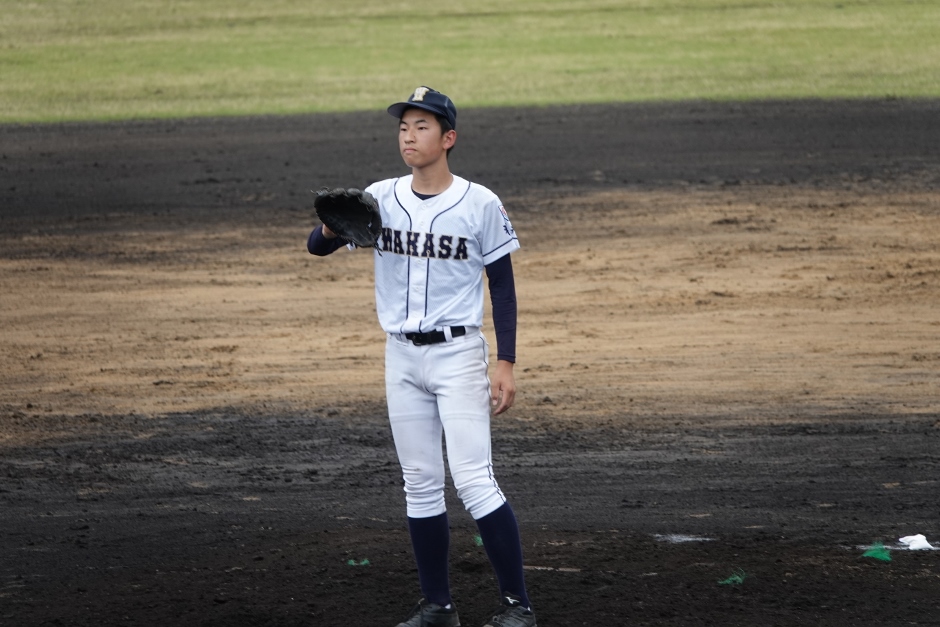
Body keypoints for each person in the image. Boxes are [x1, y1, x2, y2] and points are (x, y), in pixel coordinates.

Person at [307, 86, 537, 627]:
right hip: (401, 358)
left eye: (422, 127)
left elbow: (502, 287)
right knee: (420, 482)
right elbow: (317, 247)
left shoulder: (480, 203)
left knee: (474, 479)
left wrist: (505, 362)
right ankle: (438, 606)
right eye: (403, 127)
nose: (409, 136)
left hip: (458, 355)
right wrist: (331, 228)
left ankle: (518, 607)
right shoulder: (380, 196)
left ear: (448, 138)